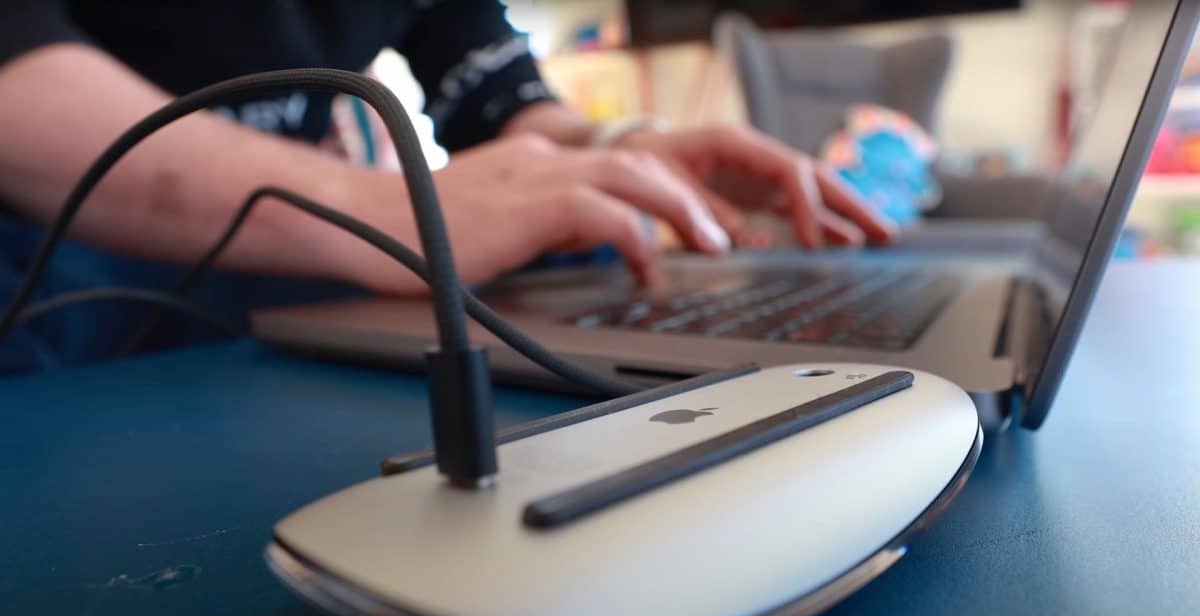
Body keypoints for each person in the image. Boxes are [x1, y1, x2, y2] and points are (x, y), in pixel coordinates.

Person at [0, 0, 893, 373]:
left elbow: (509, 106)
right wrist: (380, 208)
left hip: (299, 295)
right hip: (55, 297)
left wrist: (635, 150)